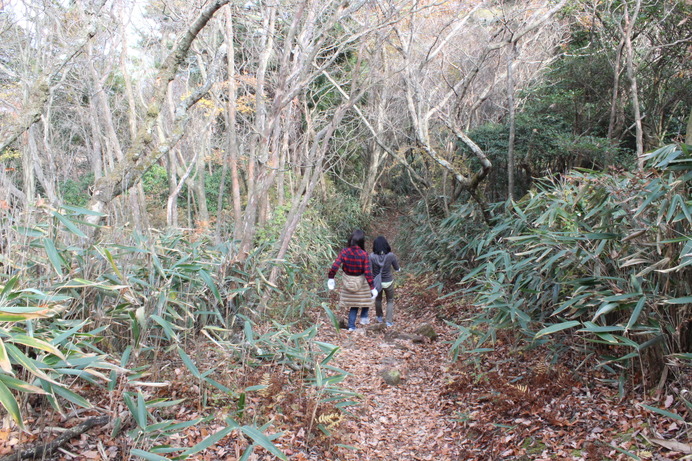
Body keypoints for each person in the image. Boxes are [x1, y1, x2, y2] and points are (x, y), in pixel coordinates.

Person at [327, 229, 378, 331]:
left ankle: (351, 326)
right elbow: (368, 272)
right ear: (361, 241)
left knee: (354, 305)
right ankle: (364, 317)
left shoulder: (344, 252)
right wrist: (372, 287)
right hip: (361, 281)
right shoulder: (364, 254)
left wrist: (331, 277)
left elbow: (335, 265)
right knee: (366, 299)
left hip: (348, 281)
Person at [370, 236, 400, 327]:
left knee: (378, 299)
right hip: (388, 281)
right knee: (390, 301)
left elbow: (370, 271)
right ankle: (388, 321)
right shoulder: (391, 255)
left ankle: (379, 317)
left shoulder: (371, 256)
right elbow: (397, 268)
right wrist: (398, 269)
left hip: (377, 282)